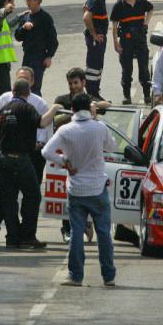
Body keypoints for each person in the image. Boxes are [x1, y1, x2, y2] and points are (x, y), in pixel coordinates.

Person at [42, 92, 117, 287]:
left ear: (72, 109)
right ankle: (108, 276)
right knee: (103, 233)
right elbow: (112, 146)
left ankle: (75, 276)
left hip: (76, 188)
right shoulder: (99, 127)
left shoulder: (66, 130)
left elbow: (46, 151)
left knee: (76, 232)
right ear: (89, 108)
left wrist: (64, 161)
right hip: (97, 188)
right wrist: (96, 118)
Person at [0, 79, 49, 250]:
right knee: (33, 194)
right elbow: (41, 122)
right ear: (28, 92)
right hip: (20, 158)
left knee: (8, 197)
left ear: (13, 91)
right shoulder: (27, 108)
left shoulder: (3, 109)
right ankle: (27, 236)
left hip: (3, 157)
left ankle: (12, 236)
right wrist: (54, 109)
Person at [110, 0, 154, 105]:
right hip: (126, 40)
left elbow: (150, 9)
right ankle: (127, 96)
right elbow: (114, 26)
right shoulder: (119, 6)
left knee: (144, 69)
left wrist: (146, 23)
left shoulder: (141, 2)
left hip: (140, 39)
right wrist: (116, 43)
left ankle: (147, 95)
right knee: (127, 69)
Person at [15, 0, 58, 95]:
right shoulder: (25, 17)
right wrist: (24, 28)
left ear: (38, 0)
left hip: (39, 57)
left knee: (35, 87)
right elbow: (17, 37)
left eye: (29, 0)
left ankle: (37, 110)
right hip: (27, 56)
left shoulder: (45, 18)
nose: (27, 3)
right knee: (24, 86)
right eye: (26, 1)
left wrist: (49, 56)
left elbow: (53, 40)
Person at [82, 0, 111, 99]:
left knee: (98, 66)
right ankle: (92, 94)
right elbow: (86, 17)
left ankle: (95, 93)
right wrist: (94, 34)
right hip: (96, 39)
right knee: (93, 66)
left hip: (99, 38)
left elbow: (85, 9)